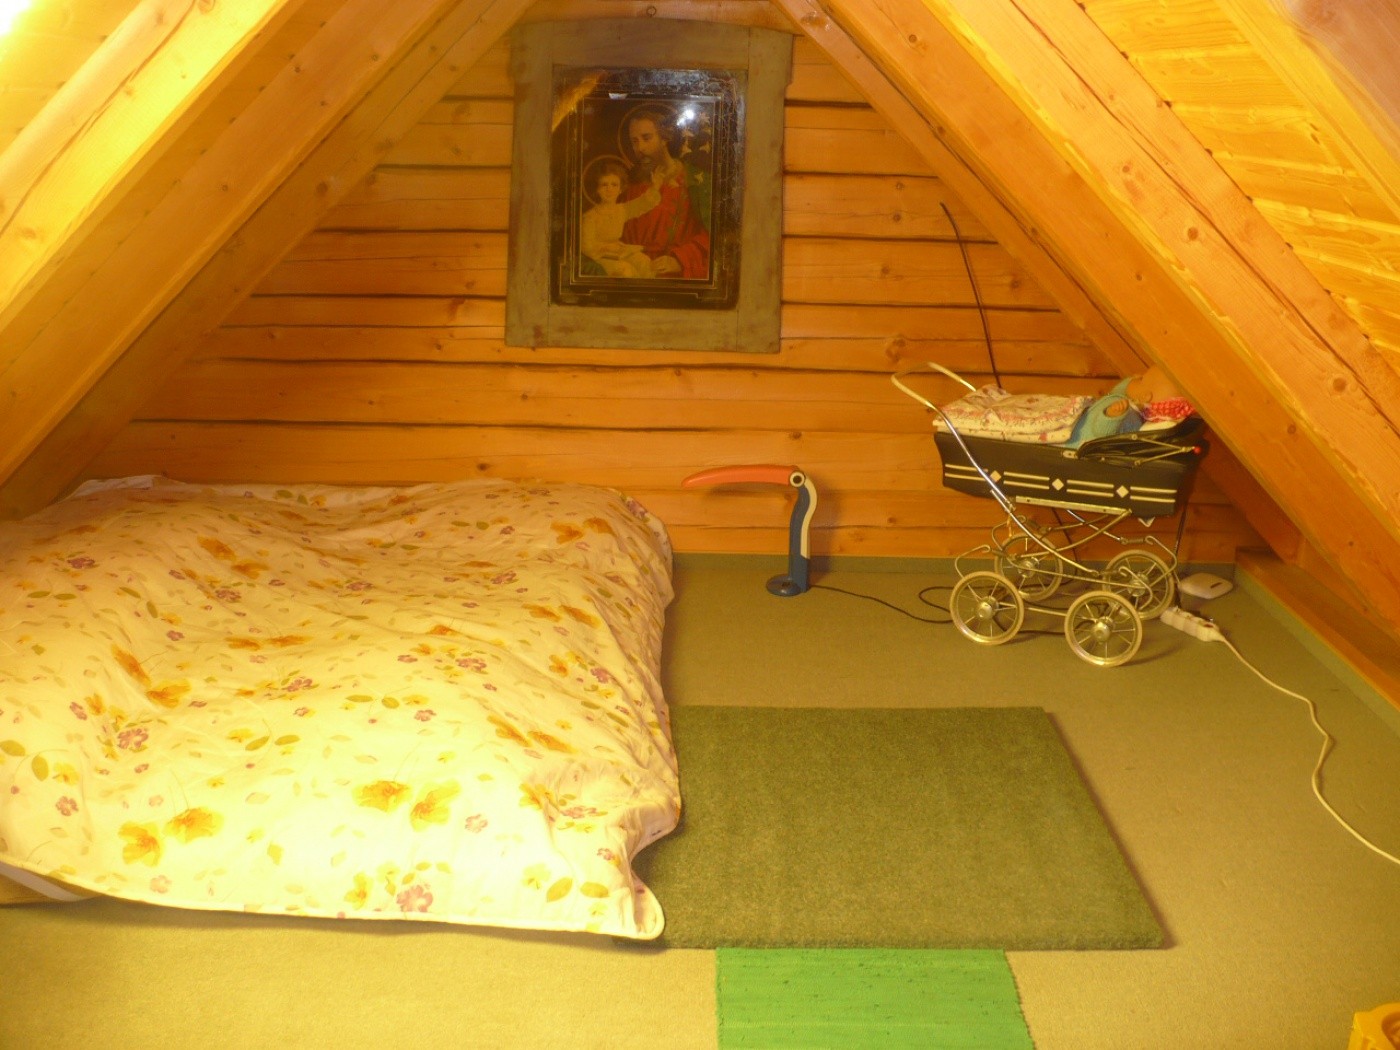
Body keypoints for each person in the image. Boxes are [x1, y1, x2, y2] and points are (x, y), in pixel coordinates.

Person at [620, 109, 711, 280]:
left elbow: (714, 235)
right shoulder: (632, 189)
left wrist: (679, 260)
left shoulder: (694, 181)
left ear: (664, 138)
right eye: (634, 141)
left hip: (677, 277)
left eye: (647, 138)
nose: (640, 148)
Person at [579, 161, 661, 278]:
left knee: (644, 262)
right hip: (600, 257)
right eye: (604, 185)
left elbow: (642, 203)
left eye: (614, 185)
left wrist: (655, 187)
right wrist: (607, 248)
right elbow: (586, 246)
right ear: (597, 189)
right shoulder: (590, 217)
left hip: (619, 252)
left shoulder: (621, 210)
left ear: (620, 189)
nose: (609, 189)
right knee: (625, 270)